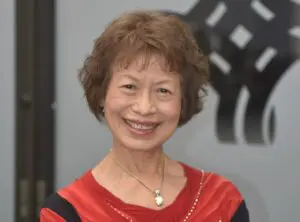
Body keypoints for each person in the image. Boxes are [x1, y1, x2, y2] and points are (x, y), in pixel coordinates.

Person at [40, 9, 250, 222]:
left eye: (163, 90)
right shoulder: (66, 212)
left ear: (183, 101)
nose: (145, 107)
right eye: (130, 86)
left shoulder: (221, 200)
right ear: (102, 94)